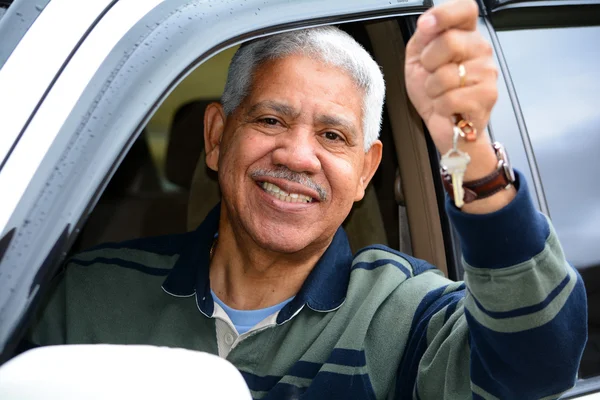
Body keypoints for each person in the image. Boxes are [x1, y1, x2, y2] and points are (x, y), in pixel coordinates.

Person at [29, 0, 586, 398]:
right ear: (217, 138)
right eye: (272, 120)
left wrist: (470, 148)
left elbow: (534, 370)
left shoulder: (402, 312)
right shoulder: (83, 294)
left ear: (366, 171)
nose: (297, 156)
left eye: (333, 136)